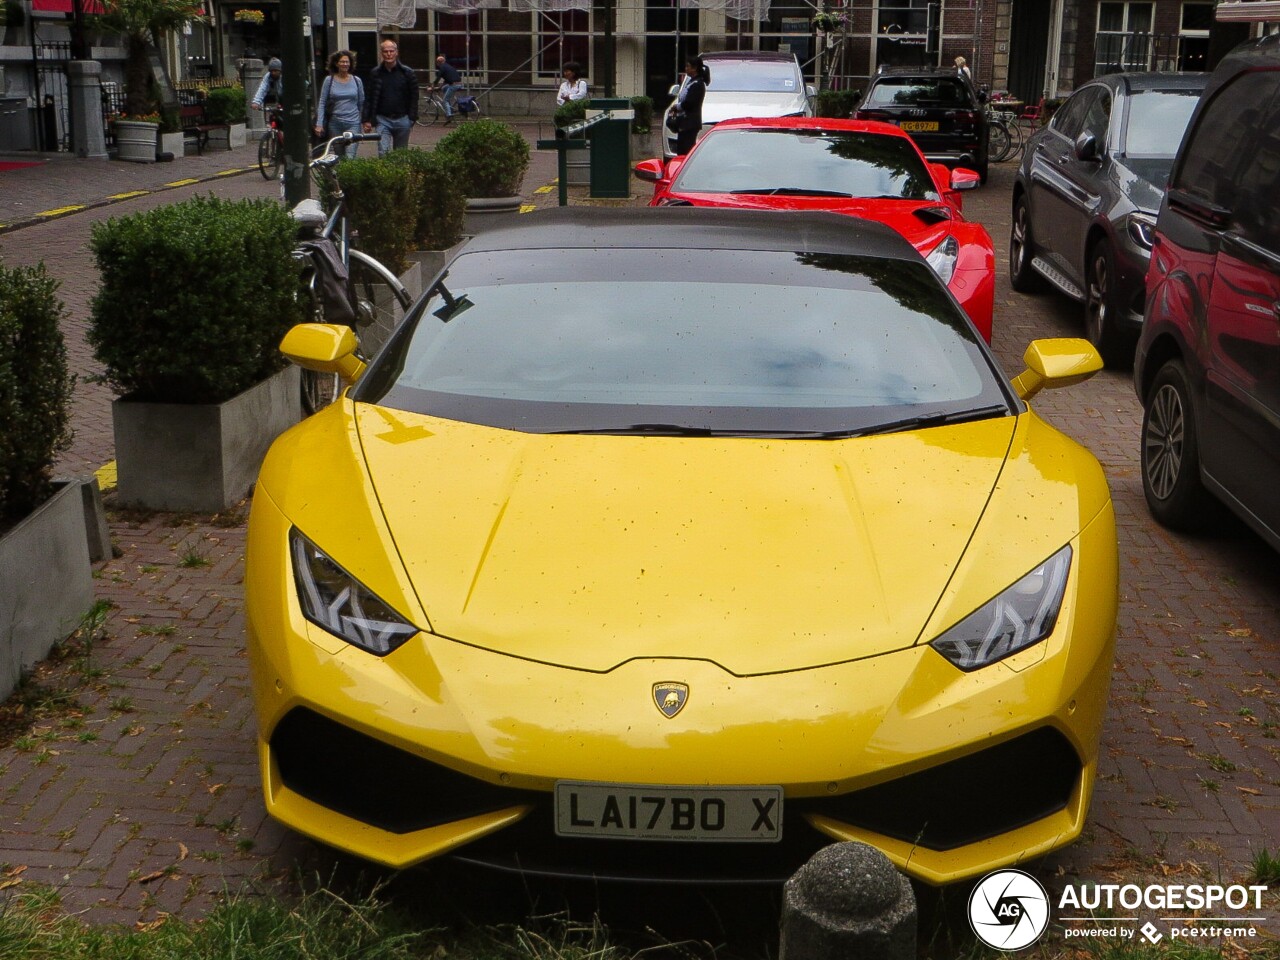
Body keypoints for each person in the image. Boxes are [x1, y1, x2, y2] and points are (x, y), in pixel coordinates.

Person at [363, 39, 418, 155]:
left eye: (391, 51)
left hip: (403, 119)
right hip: (382, 120)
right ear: (381, 53)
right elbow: (369, 97)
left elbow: (414, 97)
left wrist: (411, 118)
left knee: (401, 154)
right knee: (383, 152)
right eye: (385, 51)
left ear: (396, 52)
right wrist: (366, 119)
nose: (389, 54)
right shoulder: (375, 73)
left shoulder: (407, 73)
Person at [315, 50, 365, 158]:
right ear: (336, 63)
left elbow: (361, 102)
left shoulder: (357, 81)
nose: (345, 64)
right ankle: (341, 175)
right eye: (342, 62)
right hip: (335, 124)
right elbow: (322, 102)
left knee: (350, 156)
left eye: (347, 62)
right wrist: (319, 124)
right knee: (340, 156)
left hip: (353, 123)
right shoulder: (329, 80)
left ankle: (348, 175)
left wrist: (362, 121)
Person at [673, 56, 709, 157]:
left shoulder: (698, 84)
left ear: (695, 68)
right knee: (681, 148)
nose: (686, 68)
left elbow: (690, 103)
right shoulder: (691, 81)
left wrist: (677, 107)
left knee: (686, 150)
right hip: (685, 122)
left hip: (690, 123)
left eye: (688, 66)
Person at [433, 55, 464, 123]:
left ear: (438, 62)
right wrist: (439, 87)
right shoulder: (449, 66)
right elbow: (446, 80)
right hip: (459, 84)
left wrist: (432, 86)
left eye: (437, 62)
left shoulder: (442, 67)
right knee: (444, 88)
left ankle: (449, 115)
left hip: (454, 85)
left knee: (445, 100)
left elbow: (438, 78)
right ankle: (449, 108)